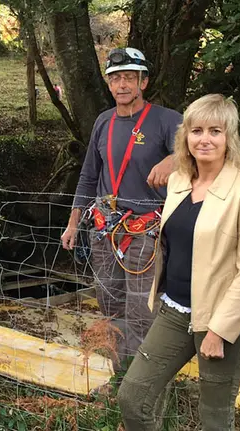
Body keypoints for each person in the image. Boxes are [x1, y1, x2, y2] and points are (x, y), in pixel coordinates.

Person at [117, 94, 240, 430]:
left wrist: (219, 331)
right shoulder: (178, 182)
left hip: (224, 320)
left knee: (214, 417)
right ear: (185, 136)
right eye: (196, 130)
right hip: (176, 311)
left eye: (215, 131)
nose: (205, 139)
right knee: (133, 395)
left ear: (229, 137)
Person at [60, 47, 182, 367]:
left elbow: (198, 153)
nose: (122, 85)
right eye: (115, 78)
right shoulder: (104, 122)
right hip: (104, 231)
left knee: (141, 310)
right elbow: (88, 175)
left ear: (144, 82)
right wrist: (73, 223)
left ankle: (140, 385)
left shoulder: (167, 120)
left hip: (146, 232)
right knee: (109, 303)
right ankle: (119, 374)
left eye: (129, 77)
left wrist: (173, 158)